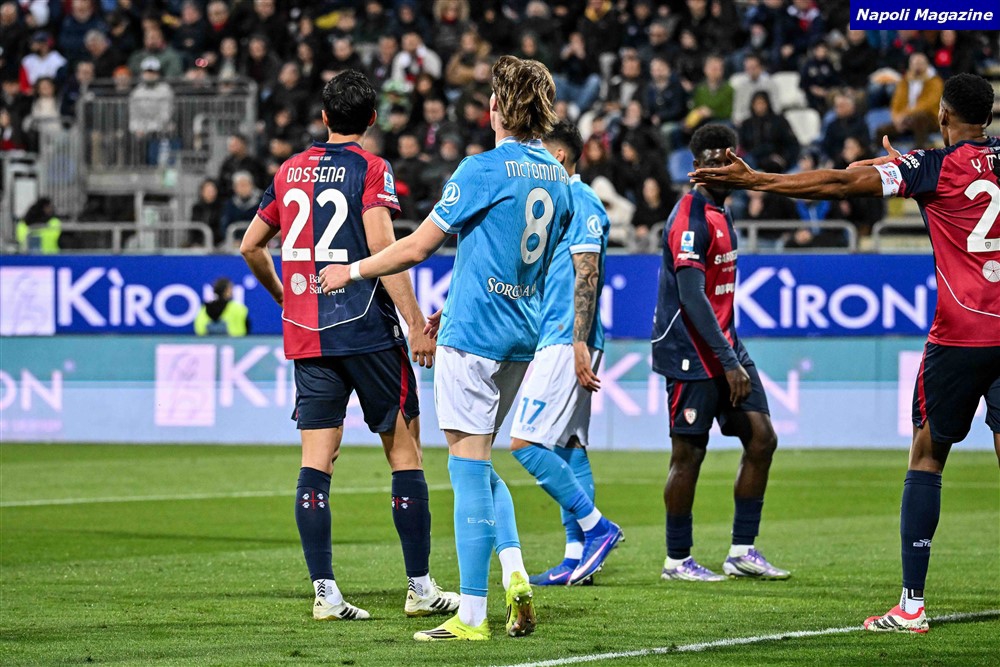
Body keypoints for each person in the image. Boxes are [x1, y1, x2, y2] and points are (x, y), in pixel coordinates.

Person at [689, 73, 1000, 633]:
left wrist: (757, 179)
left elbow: (839, 182)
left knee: (927, 458)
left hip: (959, 336)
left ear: (942, 115)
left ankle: (911, 606)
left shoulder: (929, 167)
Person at [319, 55, 574, 642]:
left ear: (497, 107)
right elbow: (520, 257)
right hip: (520, 335)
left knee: (465, 469)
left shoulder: (481, 168)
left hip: (473, 337)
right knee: (480, 462)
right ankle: (514, 573)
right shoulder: (559, 176)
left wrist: (351, 270)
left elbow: (416, 248)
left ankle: (473, 613)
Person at [239, 69, 459, 623]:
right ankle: (419, 588)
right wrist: (415, 323)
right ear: (373, 120)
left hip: (308, 332)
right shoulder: (371, 168)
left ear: (323, 117)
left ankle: (325, 594)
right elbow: (385, 249)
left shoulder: (288, 170)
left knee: (317, 461)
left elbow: (251, 246)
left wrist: (286, 297)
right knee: (405, 455)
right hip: (366, 329)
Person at [652, 124, 789, 583]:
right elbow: (692, 297)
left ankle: (742, 551)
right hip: (690, 351)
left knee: (762, 439)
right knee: (689, 454)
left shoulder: (721, 210)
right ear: (696, 168)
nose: (721, 168)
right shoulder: (689, 218)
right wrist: (728, 362)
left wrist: (731, 353)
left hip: (725, 343)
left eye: (727, 159)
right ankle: (677, 560)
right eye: (711, 161)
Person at [506, 120, 620, 588]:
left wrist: (577, 342)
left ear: (558, 157)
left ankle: (598, 528)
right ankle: (576, 557)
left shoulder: (581, 199)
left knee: (525, 444)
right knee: (569, 446)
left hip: (568, 339)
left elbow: (587, 270)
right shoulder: (557, 203)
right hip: (557, 336)